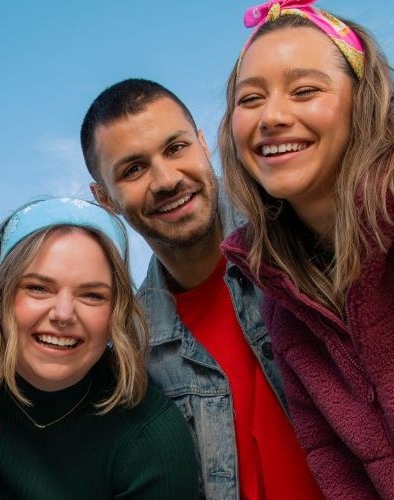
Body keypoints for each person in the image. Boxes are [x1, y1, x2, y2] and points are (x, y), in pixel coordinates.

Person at [81, 78, 323, 499]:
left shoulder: (300, 231)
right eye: (133, 169)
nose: (166, 179)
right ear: (105, 198)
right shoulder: (134, 347)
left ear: (201, 142)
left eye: (176, 148)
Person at [218, 0, 394, 497]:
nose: (272, 117)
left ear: (362, 100)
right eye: (250, 99)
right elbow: (336, 467)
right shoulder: (282, 298)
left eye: (305, 91)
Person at [0, 197, 198, 498]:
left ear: (116, 312)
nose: (63, 314)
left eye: (92, 295)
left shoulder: (151, 437)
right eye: (38, 288)